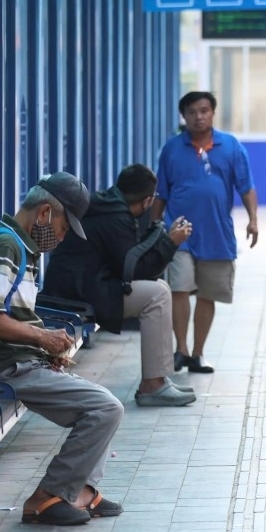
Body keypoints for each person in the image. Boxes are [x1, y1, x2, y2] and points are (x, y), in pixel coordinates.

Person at [0, 172, 125, 526]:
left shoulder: (21, 248)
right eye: (64, 227)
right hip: (5, 367)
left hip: (21, 361)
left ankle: (79, 491)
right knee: (104, 407)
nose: (62, 237)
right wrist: (41, 339)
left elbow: (10, 313)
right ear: (44, 214)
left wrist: (44, 343)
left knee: (101, 402)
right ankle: (48, 497)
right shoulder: (6, 248)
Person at [44, 164, 197, 407]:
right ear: (147, 201)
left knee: (159, 290)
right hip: (81, 292)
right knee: (157, 294)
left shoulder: (108, 206)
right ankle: (153, 385)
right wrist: (170, 243)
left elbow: (129, 260)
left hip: (77, 284)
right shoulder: (115, 217)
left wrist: (165, 240)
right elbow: (132, 270)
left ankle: (158, 379)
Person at [151, 91, 258, 375]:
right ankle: (181, 349)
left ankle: (198, 353)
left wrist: (253, 220)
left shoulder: (231, 146)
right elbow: (161, 192)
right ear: (183, 116)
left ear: (212, 113)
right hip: (179, 233)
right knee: (180, 288)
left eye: (204, 111)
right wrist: (151, 229)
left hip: (217, 233)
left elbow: (246, 187)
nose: (198, 117)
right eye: (192, 112)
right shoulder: (172, 149)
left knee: (208, 293)